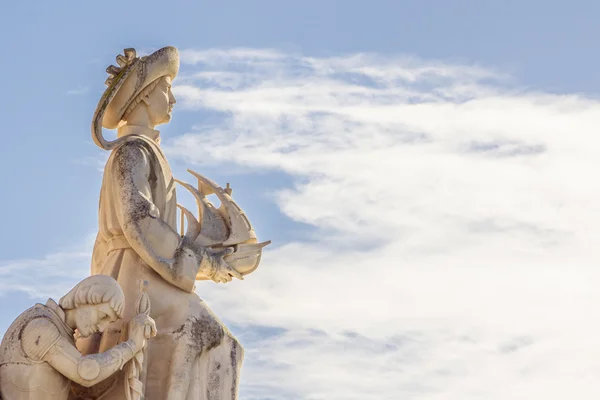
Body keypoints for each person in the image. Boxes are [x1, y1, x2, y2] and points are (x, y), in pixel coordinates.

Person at [79, 46, 244, 400]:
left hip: (150, 271)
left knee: (221, 343)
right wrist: (202, 264)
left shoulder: (145, 151)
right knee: (208, 334)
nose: (173, 98)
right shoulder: (131, 151)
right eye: (166, 89)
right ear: (143, 97)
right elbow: (140, 220)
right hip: (134, 277)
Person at [0, 275, 156, 400]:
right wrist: (131, 345)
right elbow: (86, 372)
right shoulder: (41, 326)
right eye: (103, 316)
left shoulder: (64, 336)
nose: (101, 328)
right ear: (85, 296)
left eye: (109, 323)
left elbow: (87, 388)